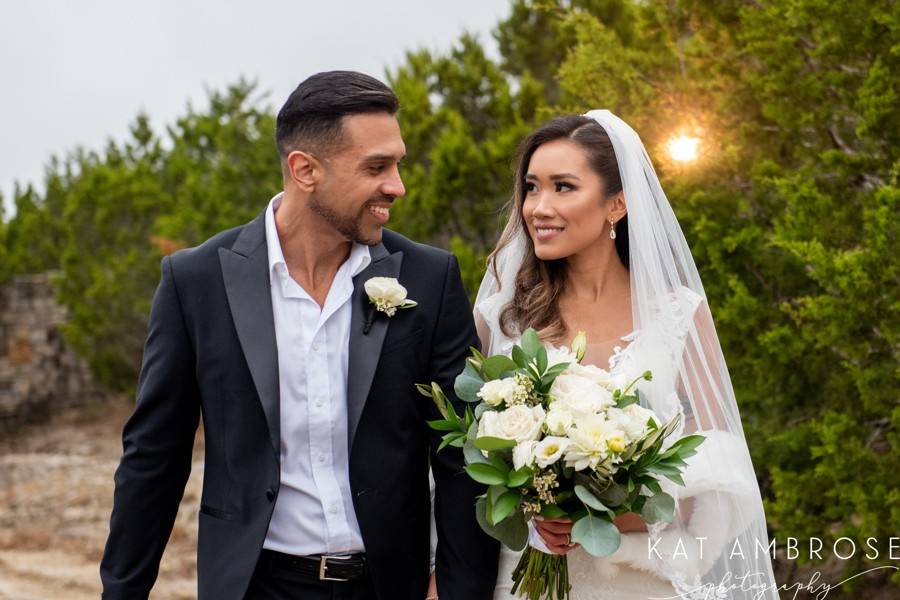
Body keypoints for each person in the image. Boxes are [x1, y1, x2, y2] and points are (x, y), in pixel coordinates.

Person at [99, 70, 499, 600]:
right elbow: (154, 457)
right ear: (305, 169)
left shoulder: (428, 277)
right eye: (377, 167)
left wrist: (453, 588)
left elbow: (462, 455)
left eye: (397, 164)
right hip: (255, 585)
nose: (397, 186)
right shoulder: (195, 283)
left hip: (392, 585)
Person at [469, 111, 778, 599]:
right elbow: (461, 472)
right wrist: (530, 511)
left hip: (640, 581)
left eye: (563, 187)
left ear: (616, 204)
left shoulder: (678, 317)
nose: (538, 207)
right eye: (531, 187)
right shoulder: (499, 319)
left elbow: (721, 473)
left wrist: (613, 515)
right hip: (525, 580)